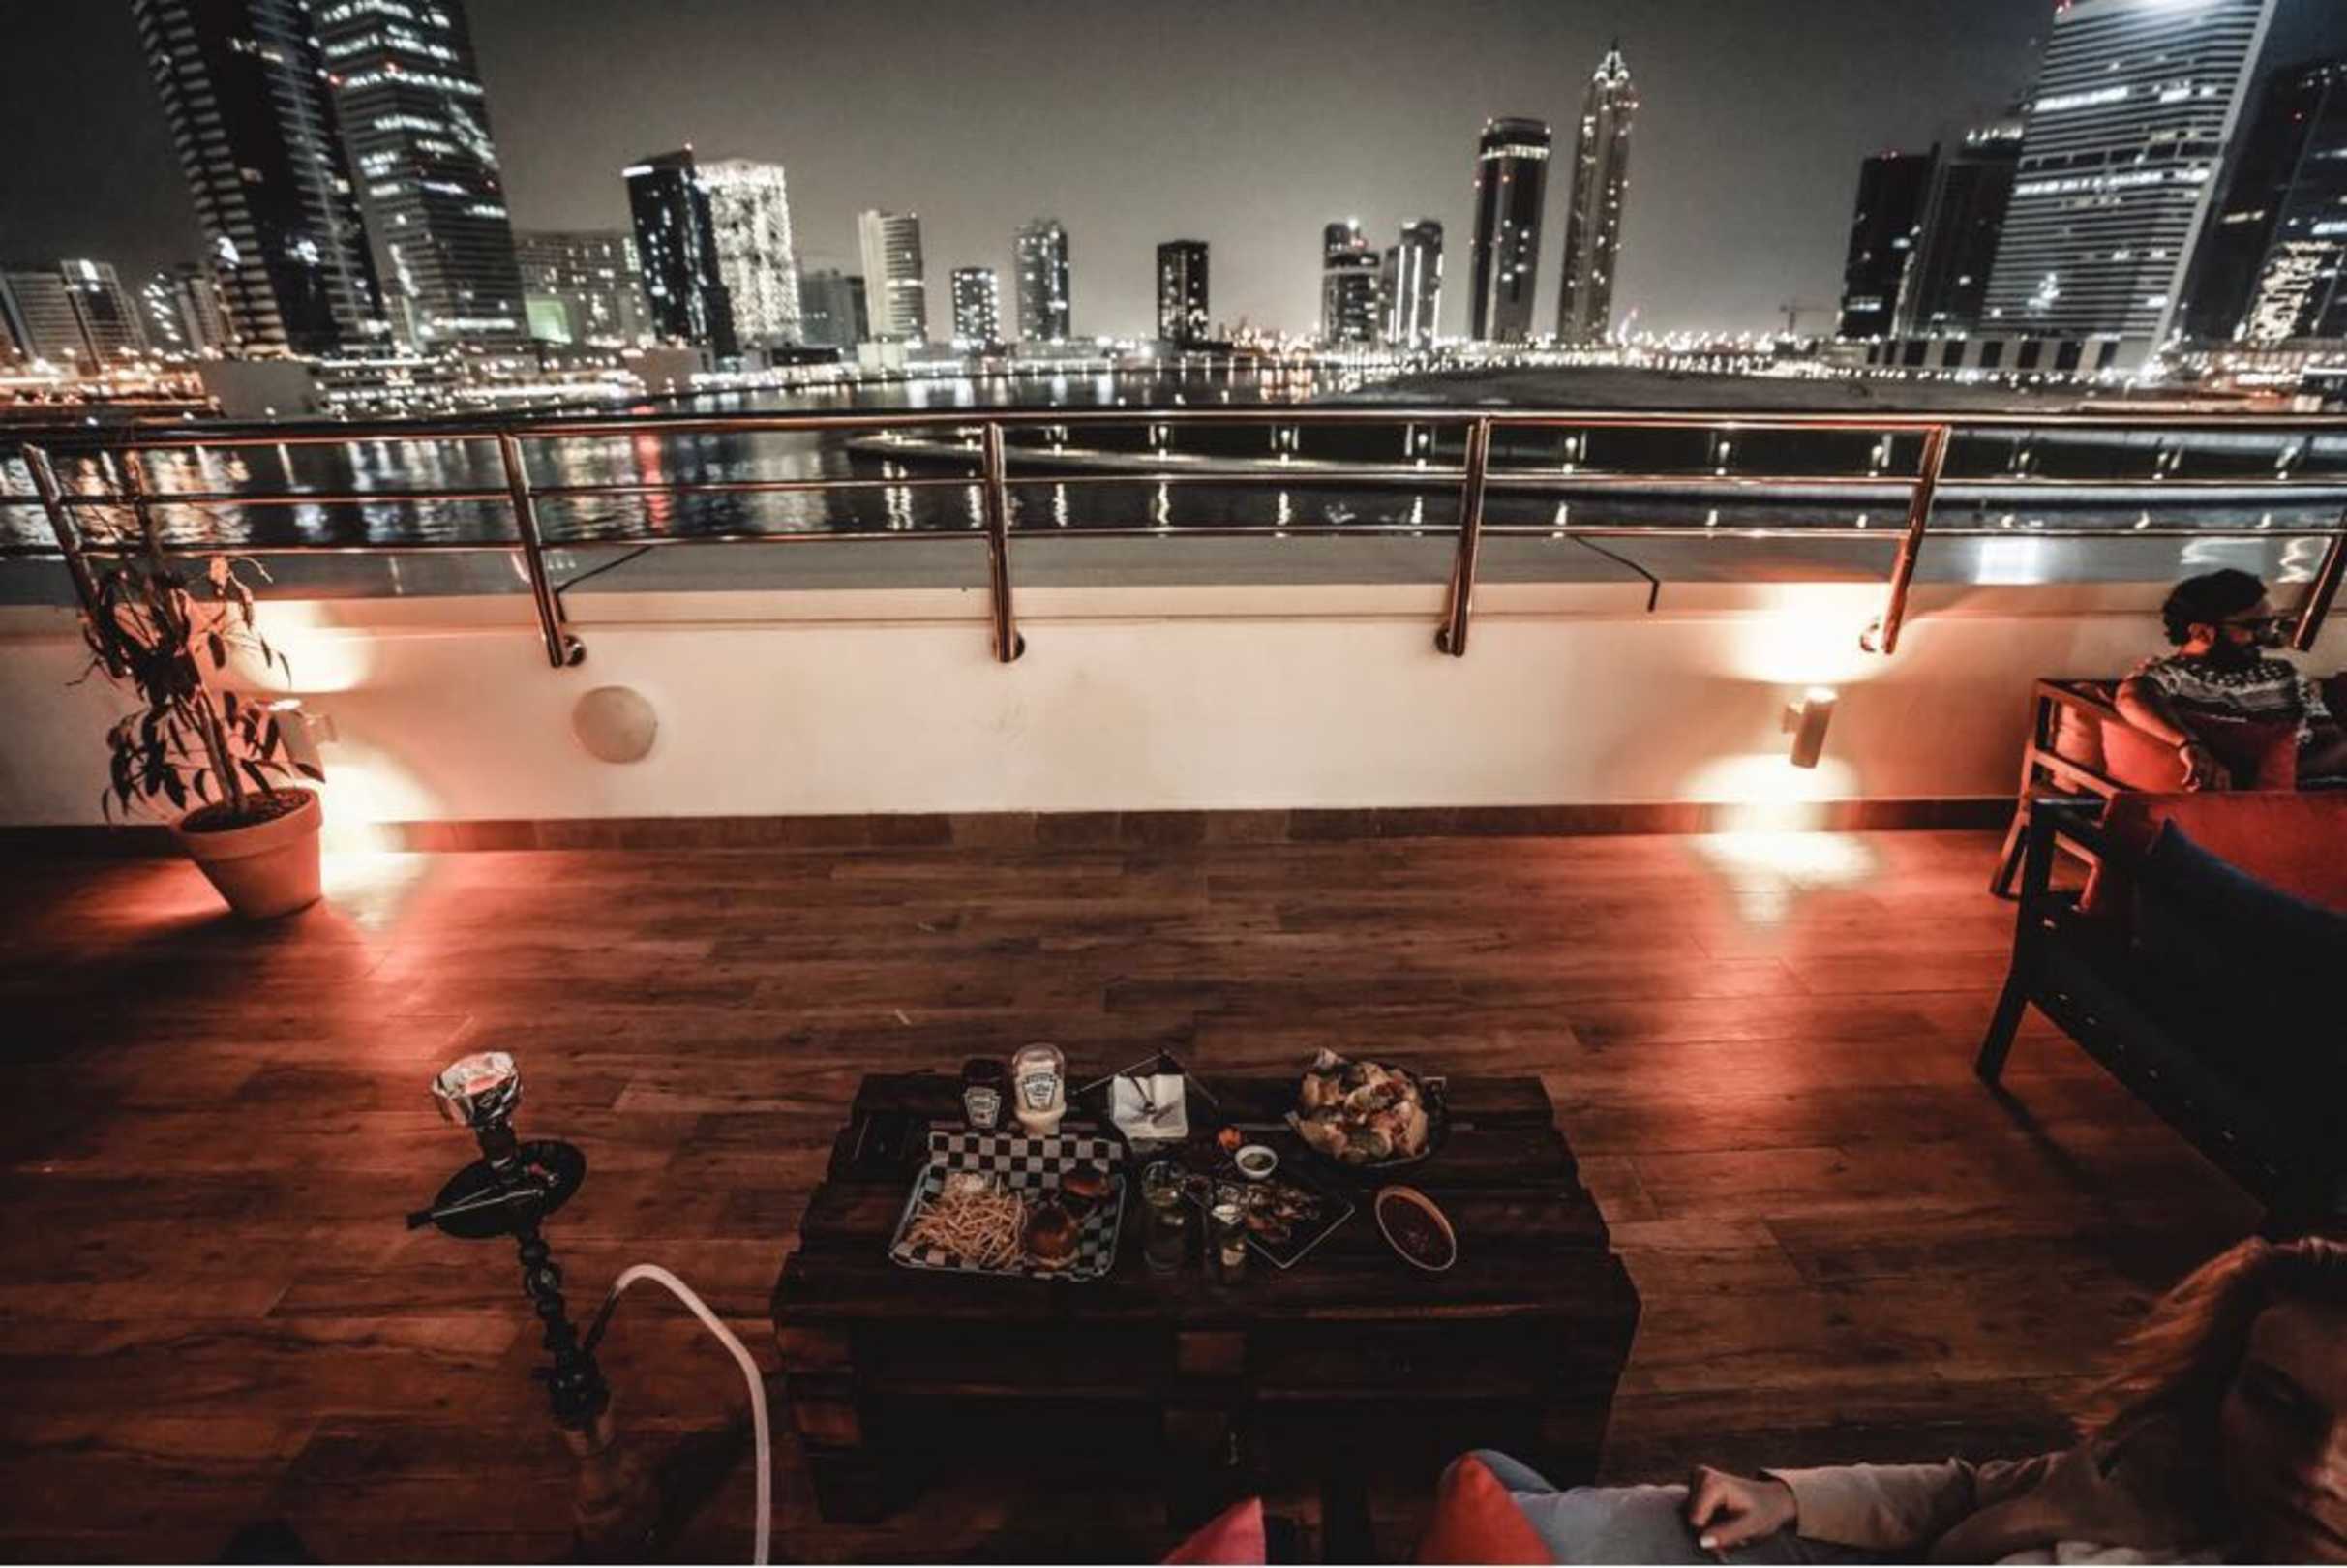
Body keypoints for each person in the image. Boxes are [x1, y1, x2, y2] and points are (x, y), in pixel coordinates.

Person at [1472, 1234, 2347, 1562]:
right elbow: (1971, 1490)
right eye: (2277, 1402)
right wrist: (1789, 1498)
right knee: (1502, 1501)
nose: (2316, 1466)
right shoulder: (2168, 1462)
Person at [2115, 568, 2347, 790]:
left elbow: (2334, 742)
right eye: (2254, 626)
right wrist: (2188, 744)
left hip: (2307, 787)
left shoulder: (2285, 674)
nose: (2266, 636)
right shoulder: (2174, 675)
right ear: (2201, 632)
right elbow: (2132, 698)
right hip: (2238, 799)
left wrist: (2277, 773)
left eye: (2269, 624)